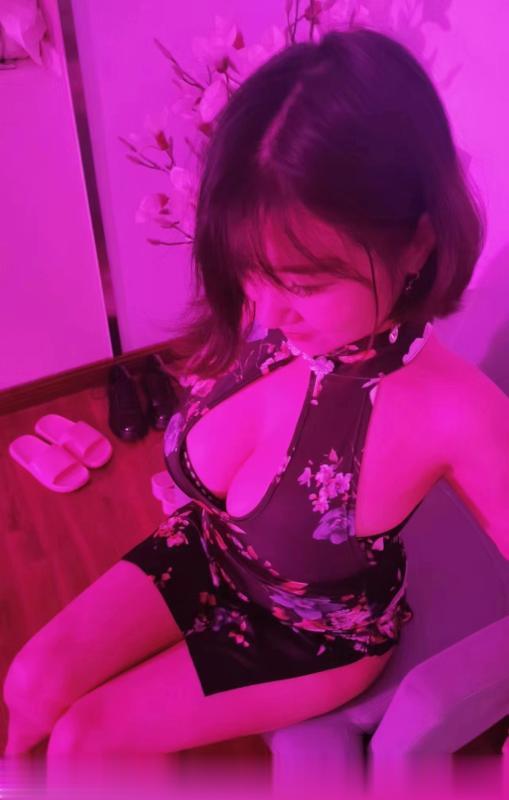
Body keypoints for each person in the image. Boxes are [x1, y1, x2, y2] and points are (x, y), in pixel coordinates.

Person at [4, 25, 493, 758]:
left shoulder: (455, 409)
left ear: (416, 243)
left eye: (302, 284)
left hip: (315, 633)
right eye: (248, 272)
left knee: (87, 742)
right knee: (29, 684)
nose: (265, 310)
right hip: (213, 548)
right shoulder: (280, 321)